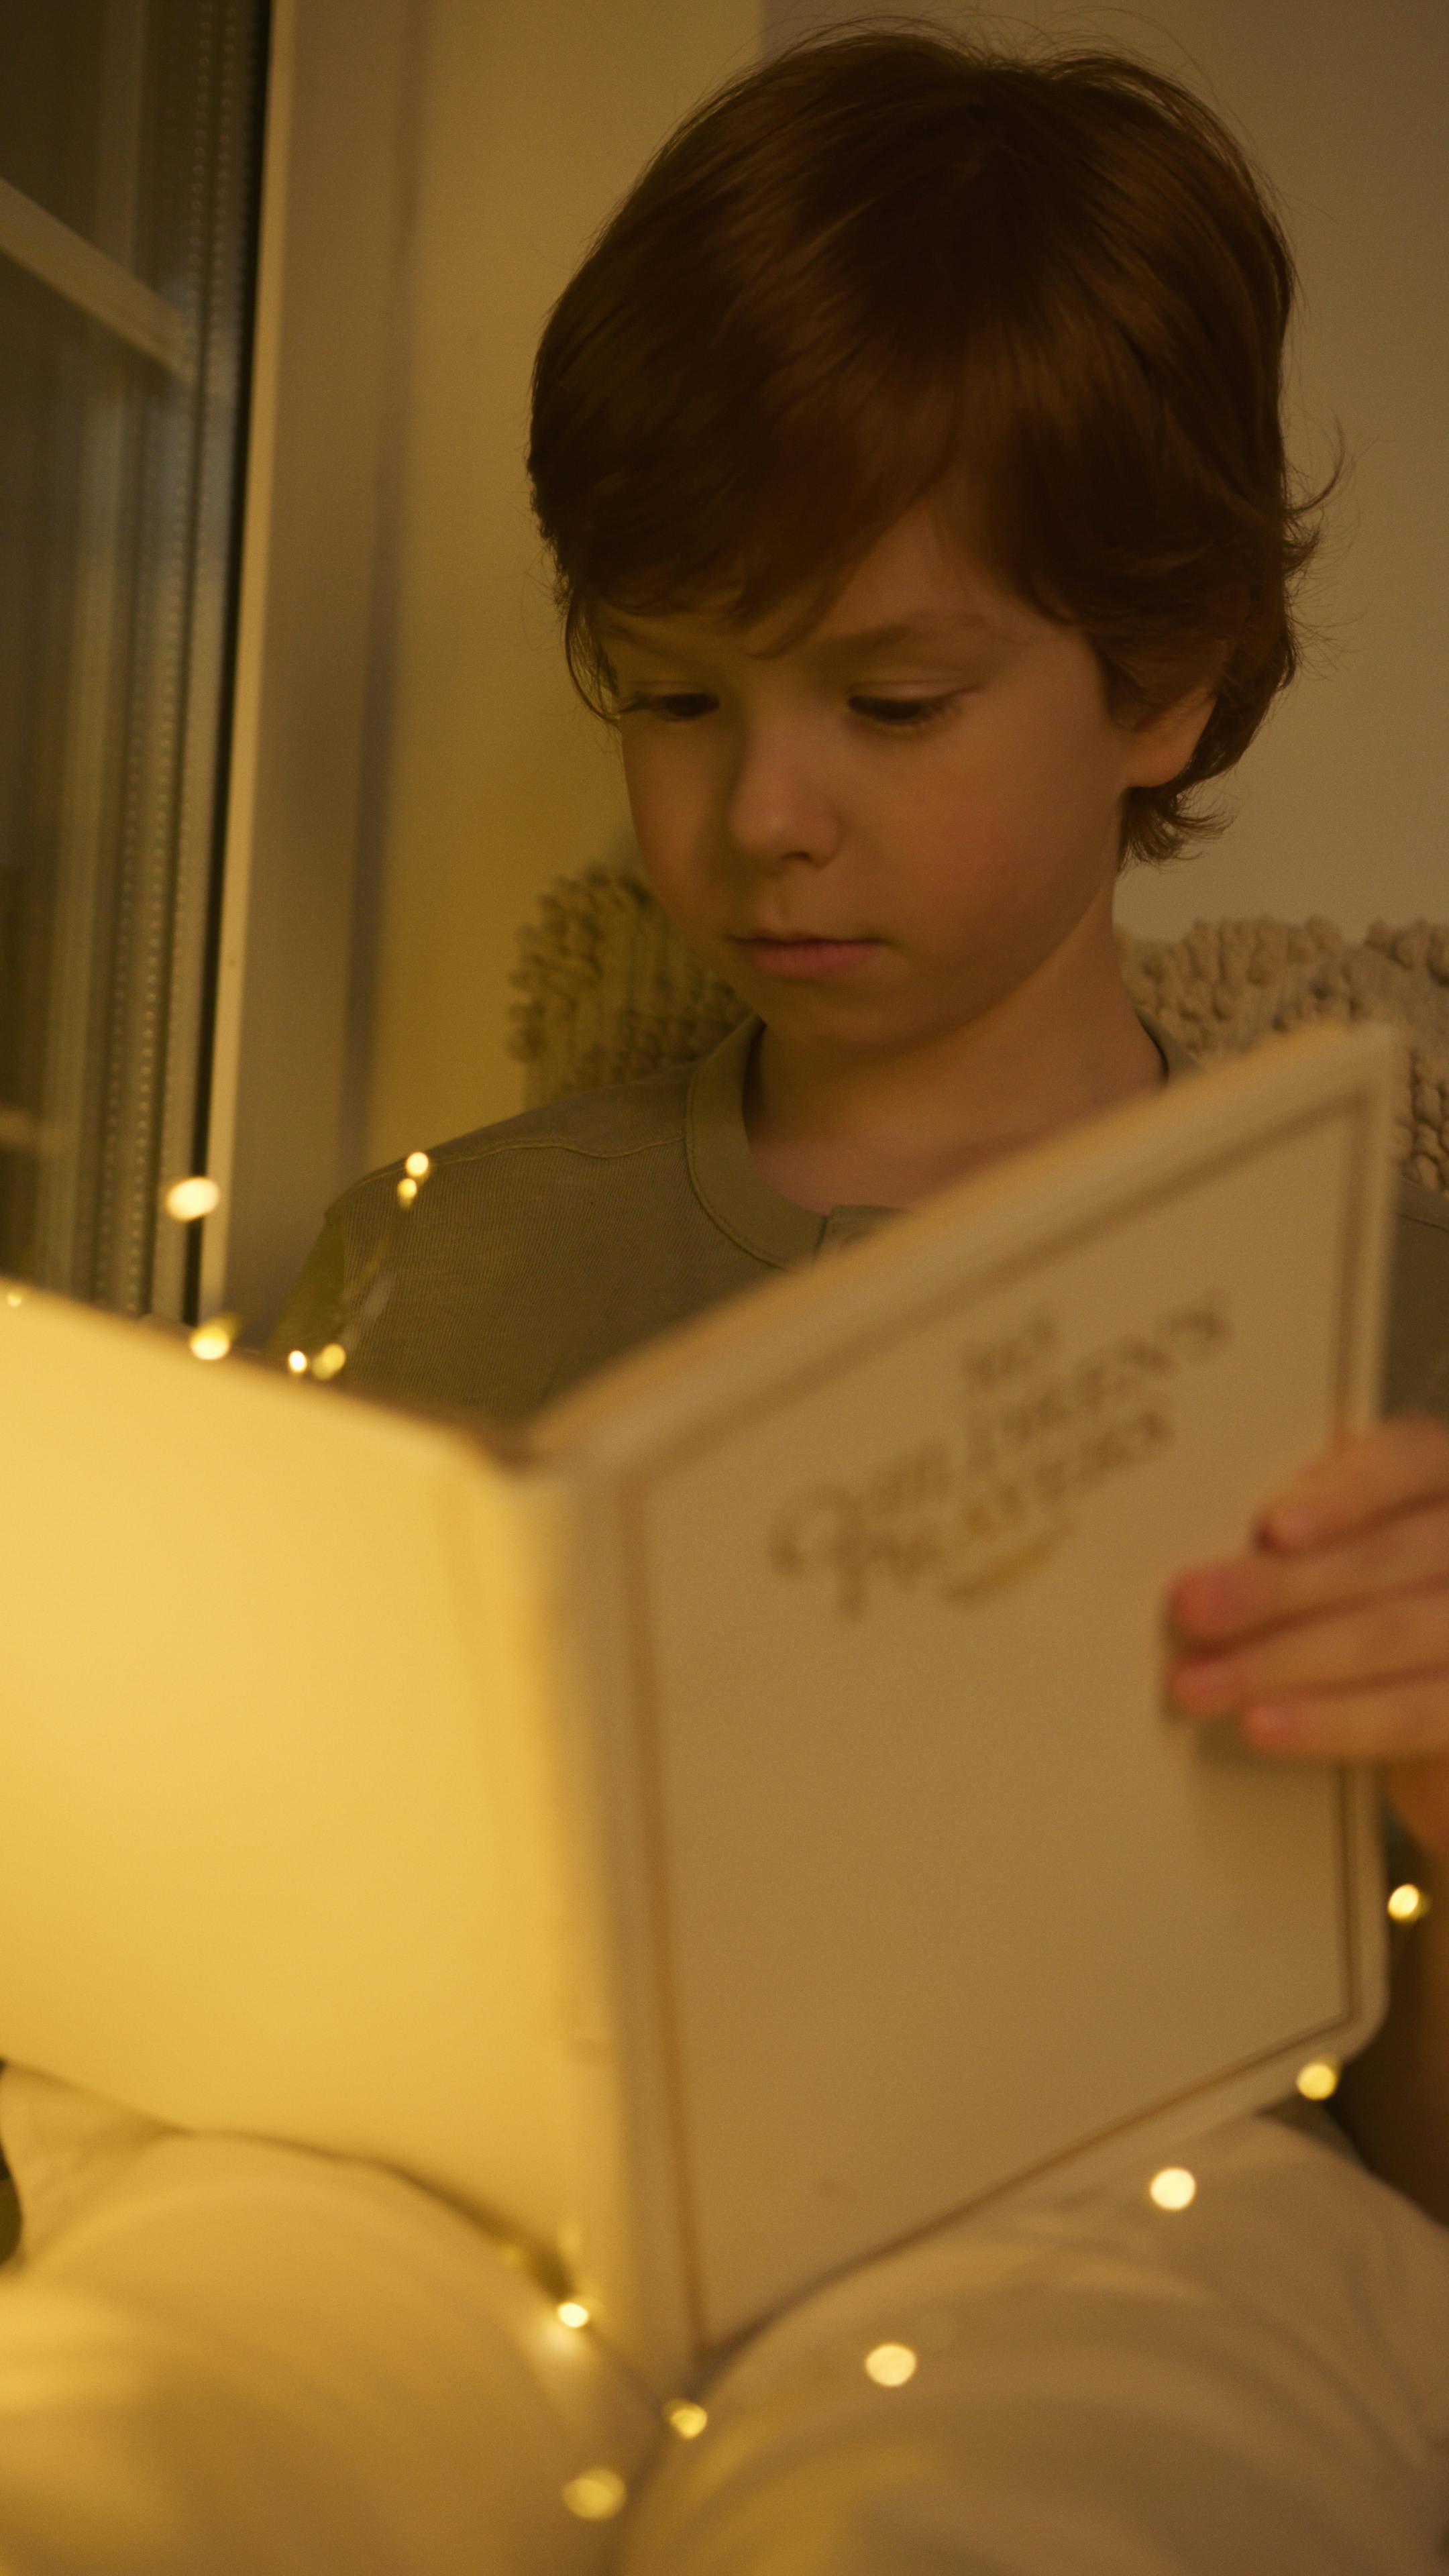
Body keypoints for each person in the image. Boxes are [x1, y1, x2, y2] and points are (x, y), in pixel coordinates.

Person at [3, 19, 1448, 2571]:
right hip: (431, 2223)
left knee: (1017, 2482)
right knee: (148, 2419)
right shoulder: (439, 1249)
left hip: (1125, 2226)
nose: (757, 811)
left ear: (1172, 675)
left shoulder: (1369, 1314)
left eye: (891, 702)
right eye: (668, 694)